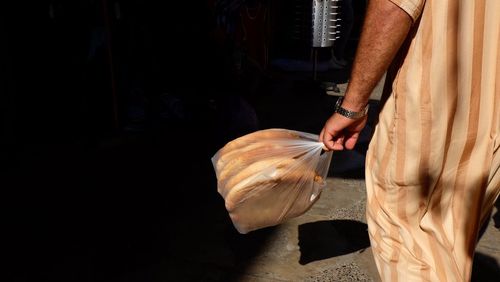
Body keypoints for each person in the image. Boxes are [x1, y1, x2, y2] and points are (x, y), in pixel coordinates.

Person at [320, 0, 499, 281]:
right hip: (489, 116)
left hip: (432, 117)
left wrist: (352, 105)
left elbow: (393, 6)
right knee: (450, 237)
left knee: (411, 246)